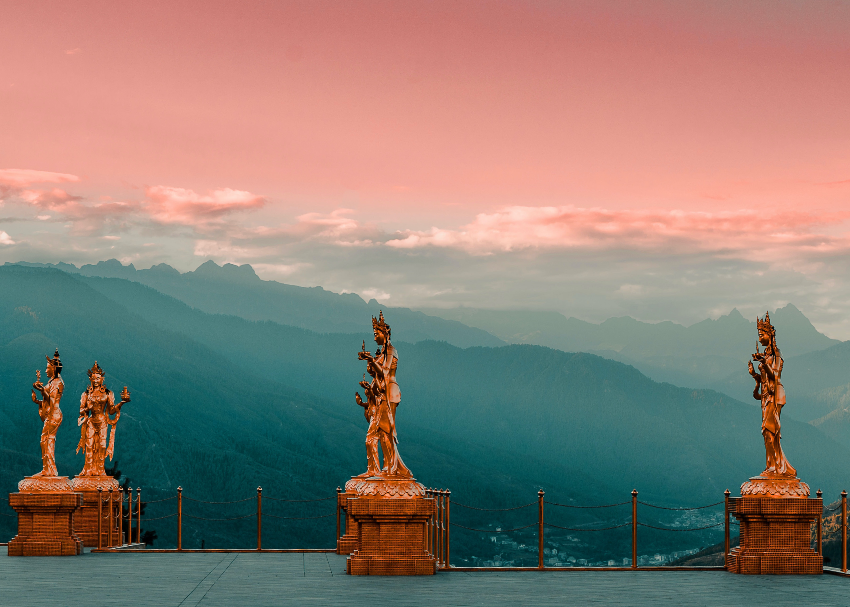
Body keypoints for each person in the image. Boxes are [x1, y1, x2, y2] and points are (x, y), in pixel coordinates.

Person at [355, 312, 410, 478]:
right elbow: (375, 374)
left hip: (389, 392)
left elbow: (385, 372)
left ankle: (390, 468)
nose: (374, 338)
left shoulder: (391, 350)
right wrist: (370, 360)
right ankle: (373, 468)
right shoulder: (383, 352)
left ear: (384, 333)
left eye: (376, 334)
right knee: (371, 435)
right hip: (380, 395)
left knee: (386, 432)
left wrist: (372, 360)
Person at [748, 312, 796, 477]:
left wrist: (764, 363)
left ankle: (776, 467)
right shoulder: (767, 356)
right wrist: (754, 375)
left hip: (775, 394)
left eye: (762, 334)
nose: (760, 338)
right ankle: (771, 465)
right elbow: (762, 385)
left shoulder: (776, 355)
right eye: (759, 335)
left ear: (770, 335)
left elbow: (775, 376)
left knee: (771, 430)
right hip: (767, 395)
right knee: (766, 432)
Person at [77, 361, 130, 477]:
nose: (96, 381)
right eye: (93, 378)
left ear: (102, 379)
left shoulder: (108, 393)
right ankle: (88, 469)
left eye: (98, 378)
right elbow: (81, 411)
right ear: (90, 379)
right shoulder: (86, 394)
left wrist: (121, 403)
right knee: (89, 446)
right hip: (91, 421)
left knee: (102, 446)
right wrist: (87, 408)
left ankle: (100, 469)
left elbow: (111, 410)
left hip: (102, 421)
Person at [31, 349, 64, 477]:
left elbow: (52, 401)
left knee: (48, 440)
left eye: (48, 368)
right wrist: (37, 401)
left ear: (54, 369)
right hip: (51, 414)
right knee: (45, 440)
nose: (45, 371)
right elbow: (46, 401)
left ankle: (50, 470)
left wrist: (42, 391)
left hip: (54, 415)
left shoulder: (58, 383)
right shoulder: (51, 381)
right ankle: (47, 468)